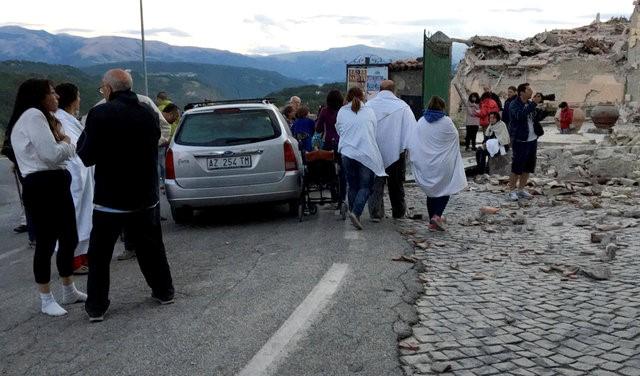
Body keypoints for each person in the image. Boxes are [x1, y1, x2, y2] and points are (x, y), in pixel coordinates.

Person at [78, 69, 174, 322]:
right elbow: (157, 140)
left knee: (100, 255)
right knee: (152, 248)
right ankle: (164, 291)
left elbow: (86, 156)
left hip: (111, 198)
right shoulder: (148, 112)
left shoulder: (99, 114)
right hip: (145, 195)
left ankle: (97, 306)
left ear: (108, 90)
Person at [8, 79, 86, 316]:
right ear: (39, 96)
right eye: (52, 93)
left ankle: (68, 289)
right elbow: (51, 154)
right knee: (46, 242)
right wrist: (67, 143)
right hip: (42, 184)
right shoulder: (33, 115)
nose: (57, 97)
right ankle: (46, 298)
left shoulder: (45, 118)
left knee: (69, 237)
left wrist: (62, 144)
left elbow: (55, 152)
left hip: (55, 182)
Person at [408, 96, 467, 232]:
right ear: (442, 107)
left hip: (426, 162)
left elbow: (415, 140)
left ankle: (432, 222)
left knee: (431, 192)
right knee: (445, 189)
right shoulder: (447, 122)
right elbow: (454, 137)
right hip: (443, 162)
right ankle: (437, 215)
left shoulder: (421, 121)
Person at [54, 83, 93, 275]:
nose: (80, 99)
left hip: (83, 174)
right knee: (75, 217)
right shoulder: (60, 120)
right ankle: (72, 260)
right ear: (71, 99)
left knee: (85, 215)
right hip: (75, 176)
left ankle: (83, 255)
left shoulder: (68, 119)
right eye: (78, 96)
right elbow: (71, 149)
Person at [365, 80, 416, 221]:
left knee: (376, 183)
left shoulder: (369, 106)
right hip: (397, 153)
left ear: (379, 90)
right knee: (396, 184)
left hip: (374, 151)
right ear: (394, 91)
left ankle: (376, 213)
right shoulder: (403, 107)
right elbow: (411, 130)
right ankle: (398, 212)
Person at [336, 87, 386, 230]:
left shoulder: (341, 112)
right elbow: (373, 131)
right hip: (365, 153)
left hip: (347, 152)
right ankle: (356, 213)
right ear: (362, 96)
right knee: (366, 186)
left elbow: (339, 130)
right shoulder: (369, 111)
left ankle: (353, 212)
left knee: (353, 185)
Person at [508, 83, 541, 201]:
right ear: (522, 92)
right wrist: (533, 104)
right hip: (520, 139)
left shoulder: (529, 104)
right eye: (528, 89)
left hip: (532, 139)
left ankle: (521, 189)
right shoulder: (514, 104)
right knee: (517, 166)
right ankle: (511, 190)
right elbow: (520, 116)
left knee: (528, 166)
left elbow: (534, 118)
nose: (531, 90)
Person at [315, 90, 346, 206]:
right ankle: (342, 196)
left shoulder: (324, 111)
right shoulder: (343, 111)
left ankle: (333, 194)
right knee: (343, 170)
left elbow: (318, 128)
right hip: (342, 143)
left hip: (328, 143)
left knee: (329, 170)